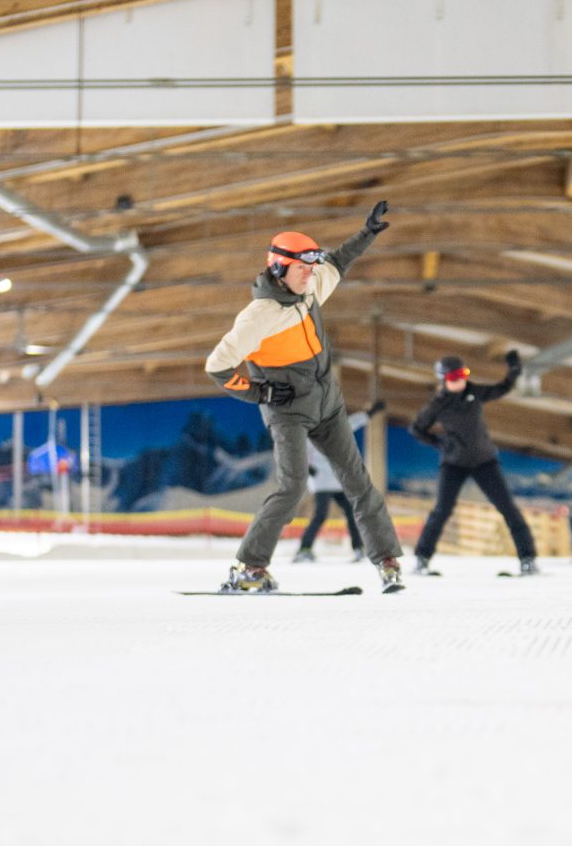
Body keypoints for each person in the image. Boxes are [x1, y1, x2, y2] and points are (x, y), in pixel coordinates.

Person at [203, 200, 407, 593]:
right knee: (293, 488)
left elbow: (339, 262)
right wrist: (259, 391)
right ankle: (250, 569)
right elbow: (217, 366)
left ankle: (388, 561)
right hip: (288, 411)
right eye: (301, 268)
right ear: (278, 268)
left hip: (327, 404)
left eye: (311, 269)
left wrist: (366, 233)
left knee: (358, 482)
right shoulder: (257, 316)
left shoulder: (311, 289)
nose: (310, 275)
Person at [410, 352, 541, 575]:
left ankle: (528, 559)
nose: (460, 380)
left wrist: (513, 372)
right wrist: (441, 444)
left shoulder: (474, 392)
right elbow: (417, 429)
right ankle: (422, 558)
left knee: (508, 508)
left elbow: (501, 389)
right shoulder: (438, 404)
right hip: (454, 464)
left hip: (484, 462)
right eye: (454, 378)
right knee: (442, 511)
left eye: (463, 374)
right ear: (443, 380)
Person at [291, 411, 369, 563]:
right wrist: (307, 468)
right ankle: (304, 549)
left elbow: (352, 423)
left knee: (351, 511)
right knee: (321, 514)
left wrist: (369, 413)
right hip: (321, 481)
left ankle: (358, 548)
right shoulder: (308, 434)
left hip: (336, 480)